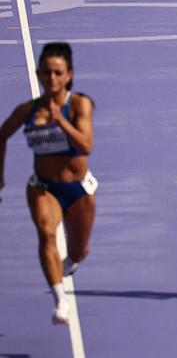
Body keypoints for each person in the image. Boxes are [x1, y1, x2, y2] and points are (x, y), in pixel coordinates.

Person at [0, 42, 97, 325]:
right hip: (43, 187)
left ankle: (72, 261)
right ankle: (60, 301)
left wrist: (60, 122)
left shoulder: (80, 105)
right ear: (39, 74)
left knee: (79, 249)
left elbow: (86, 145)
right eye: (46, 73)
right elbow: (1, 136)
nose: (51, 78)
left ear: (69, 74)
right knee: (46, 234)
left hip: (79, 189)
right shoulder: (28, 110)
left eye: (57, 73)